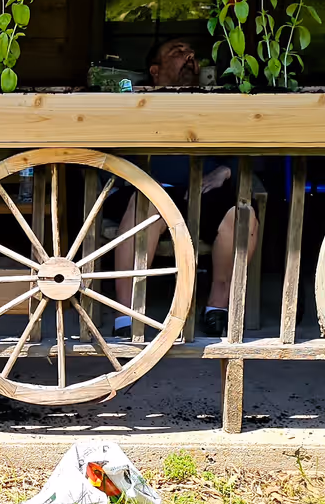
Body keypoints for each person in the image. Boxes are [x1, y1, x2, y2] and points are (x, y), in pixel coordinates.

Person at [110, 36, 261, 338]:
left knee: (240, 215)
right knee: (144, 205)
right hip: (148, 188)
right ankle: (126, 314)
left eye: (191, 52)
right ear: (155, 70)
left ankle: (217, 308)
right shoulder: (136, 102)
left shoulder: (215, 102)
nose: (189, 56)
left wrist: (226, 170)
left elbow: (255, 145)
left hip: (203, 191)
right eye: (177, 52)